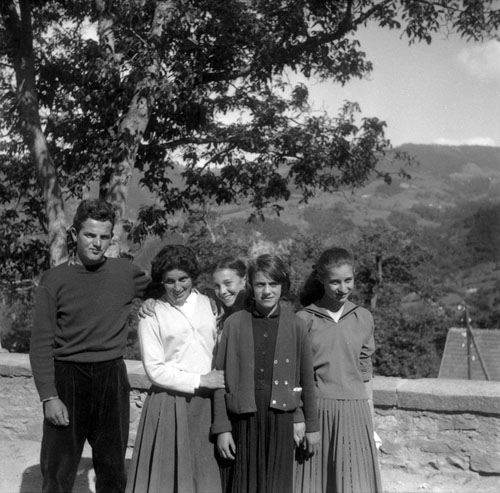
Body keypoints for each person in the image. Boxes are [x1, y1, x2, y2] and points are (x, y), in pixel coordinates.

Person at [29, 198, 151, 493]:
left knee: (112, 467)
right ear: (75, 234)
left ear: (111, 237)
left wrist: (209, 300)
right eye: (90, 235)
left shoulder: (125, 273)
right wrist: (49, 396)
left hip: (111, 377)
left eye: (104, 237)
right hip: (67, 378)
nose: (97, 243)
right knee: (58, 469)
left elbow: (170, 288)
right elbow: (41, 342)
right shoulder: (54, 280)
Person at [212, 254, 320, 493]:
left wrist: (311, 425)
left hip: (281, 418)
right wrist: (222, 428)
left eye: (273, 284)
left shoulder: (296, 325)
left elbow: (306, 380)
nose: (267, 291)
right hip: (243, 418)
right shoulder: (234, 324)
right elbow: (220, 379)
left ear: (283, 286)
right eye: (260, 284)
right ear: (251, 286)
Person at [126, 244, 225, 493]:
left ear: (193, 277)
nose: (177, 287)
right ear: (161, 281)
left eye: (183, 279)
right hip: (169, 403)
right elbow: (155, 370)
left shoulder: (209, 304)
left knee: (204, 476)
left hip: (208, 403)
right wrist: (201, 380)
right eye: (169, 281)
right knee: (168, 479)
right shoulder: (152, 314)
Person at [294, 247, 383, 493]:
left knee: (354, 484)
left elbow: (365, 372)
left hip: (356, 413)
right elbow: (295, 377)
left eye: (348, 280)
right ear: (321, 280)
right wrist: (300, 419)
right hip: (318, 412)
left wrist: (370, 420)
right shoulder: (304, 319)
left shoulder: (363, 317)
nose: (343, 288)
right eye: (335, 282)